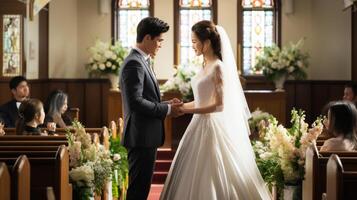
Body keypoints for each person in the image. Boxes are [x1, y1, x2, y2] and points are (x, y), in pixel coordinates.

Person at [160, 21, 272, 200]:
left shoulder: (218, 67)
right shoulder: (205, 65)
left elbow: (219, 105)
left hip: (211, 126)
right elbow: (202, 100)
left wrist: (188, 111)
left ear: (207, 43)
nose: (193, 45)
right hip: (198, 124)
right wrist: (180, 106)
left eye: (195, 41)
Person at [119, 17, 183, 200]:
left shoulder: (143, 61)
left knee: (141, 188)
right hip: (141, 137)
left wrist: (166, 105)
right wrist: (167, 111)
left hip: (145, 136)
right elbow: (136, 103)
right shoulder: (134, 63)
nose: (161, 45)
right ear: (147, 38)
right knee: (138, 190)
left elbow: (145, 99)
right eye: (159, 40)